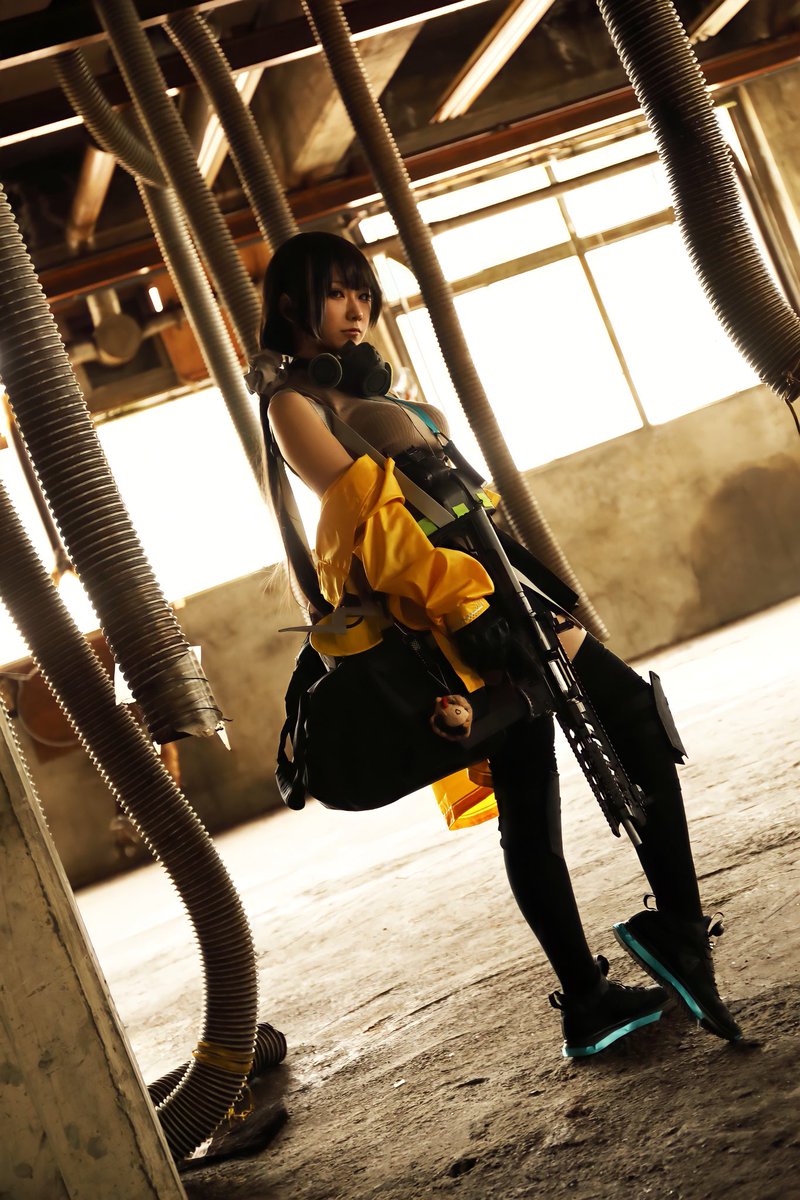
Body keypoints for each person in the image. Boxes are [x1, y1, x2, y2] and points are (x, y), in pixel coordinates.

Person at [254, 230, 742, 1059]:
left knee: (579, 748)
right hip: (450, 602)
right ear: (295, 304)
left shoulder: (370, 386)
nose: (357, 308)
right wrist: (465, 603)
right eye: (337, 293)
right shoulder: (293, 404)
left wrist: (507, 579)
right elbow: (366, 525)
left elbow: (451, 495)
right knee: (581, 747)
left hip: (495, 579)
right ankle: (649, 954)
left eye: (364, 293)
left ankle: (613, 982)